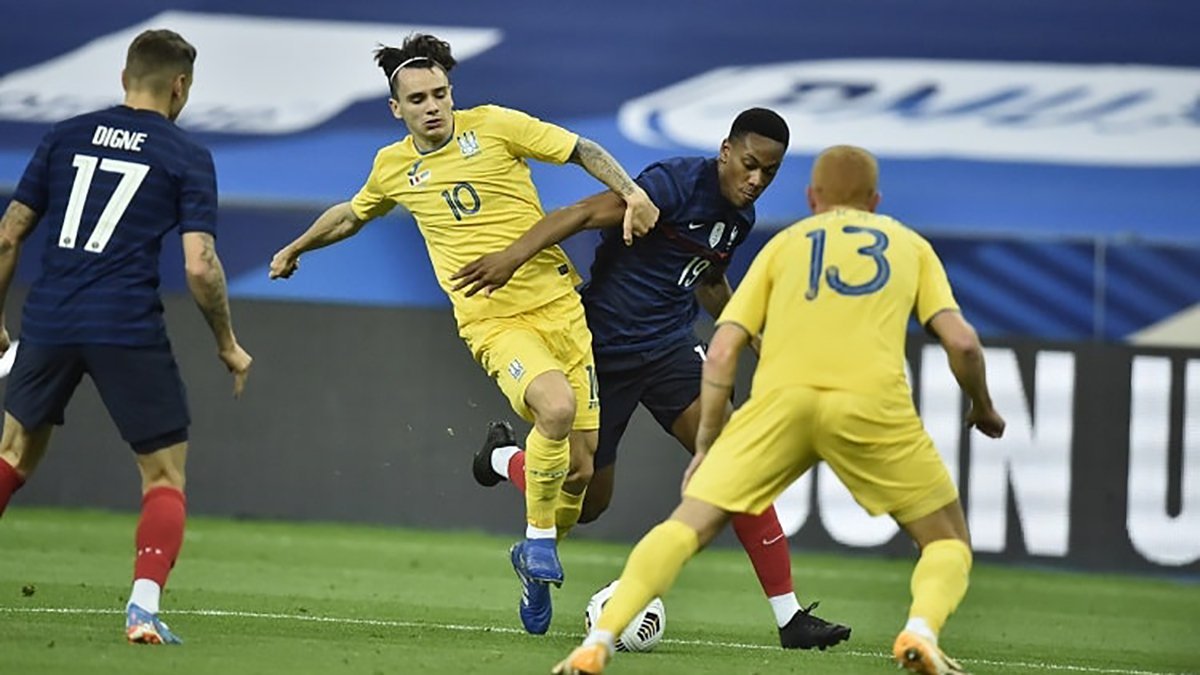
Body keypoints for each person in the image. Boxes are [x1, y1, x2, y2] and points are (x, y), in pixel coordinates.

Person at [551, 145, 1006, 675]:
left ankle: (599, 641)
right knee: (946, 541)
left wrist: (708, 446)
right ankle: (921, 631)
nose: (756, 180)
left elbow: (723, 348)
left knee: (688, 525)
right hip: (871, 403)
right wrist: (983, 406)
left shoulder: (785, 245)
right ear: (876, 200)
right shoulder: (910, 247)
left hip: (785, 400)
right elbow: (963, 344)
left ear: (812, 198)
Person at [267, 34, 657, 635]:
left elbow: (581, 148)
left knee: (579, 473)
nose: (432, 107)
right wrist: (297, 247)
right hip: (493, 320)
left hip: (561, 309)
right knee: (554, 408)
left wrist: (632, 193)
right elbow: (351, 213)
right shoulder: (393, 167)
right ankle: (538, 543)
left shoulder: (496, 126)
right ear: (396, 108)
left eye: (440, 94)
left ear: (452, 93)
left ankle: (510, 485)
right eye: (417, 99)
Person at [454, 108, 850, 650]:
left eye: (770, 172)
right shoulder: (673, 184)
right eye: (750, 164)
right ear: (726, 151)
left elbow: (708, 281)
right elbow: (581, 213)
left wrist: (759, 340)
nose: (756, 179)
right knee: (586, 500)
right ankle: (502, 459)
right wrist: (512, 257)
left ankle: (790, 618)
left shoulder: (739, 218)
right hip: (604, 351)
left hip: (669, 350)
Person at [0, 29, 253, 645]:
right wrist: (226, 342)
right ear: (180, 87)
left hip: (50, 317)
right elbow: (200, 265)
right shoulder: (186, 155)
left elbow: (8, 235)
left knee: (12, 455)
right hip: (124, 323)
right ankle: (142, 608)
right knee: (163, 476)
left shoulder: (63, 136)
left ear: (123, 77)